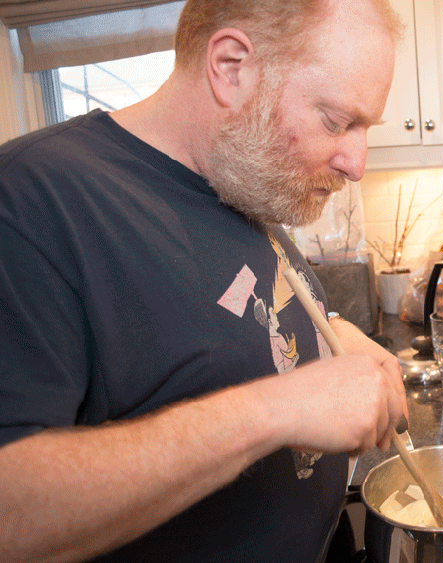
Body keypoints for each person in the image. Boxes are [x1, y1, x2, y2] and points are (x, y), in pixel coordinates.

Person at [0, 0, 407, 561]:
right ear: (231, 67)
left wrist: (330, 333)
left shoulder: (238, 173)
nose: (356, 164)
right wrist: (274, 410)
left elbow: (215, 316)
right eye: (336, 122)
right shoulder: (31, 201)